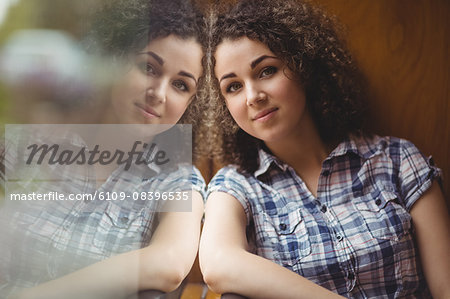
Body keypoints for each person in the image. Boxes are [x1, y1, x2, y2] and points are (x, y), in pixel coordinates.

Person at [199, 0, 450, 298]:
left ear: (303, 65)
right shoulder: (235, 187)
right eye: (233, 86)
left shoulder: (398, 159)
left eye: (266, 71)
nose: (253, 96)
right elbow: (218, 265)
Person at [0, 0, 207, 298]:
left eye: (181, 85)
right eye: (148, 68)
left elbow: (169, 263)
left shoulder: (177, 181)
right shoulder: (35, 141)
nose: (159, 94)